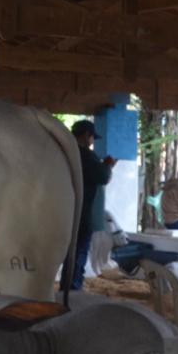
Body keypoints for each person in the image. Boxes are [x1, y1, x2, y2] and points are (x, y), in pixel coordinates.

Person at [65, 119, 116, 292]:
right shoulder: (85, 155)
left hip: (69, 210)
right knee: (79, 251)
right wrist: (108, 166)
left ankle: (69, 286)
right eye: (92, 137)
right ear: (87, 135)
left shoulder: (67, 152)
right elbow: (102, 176)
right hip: (83, 212)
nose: (93, 141)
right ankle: (73, 288)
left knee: (72, 251)